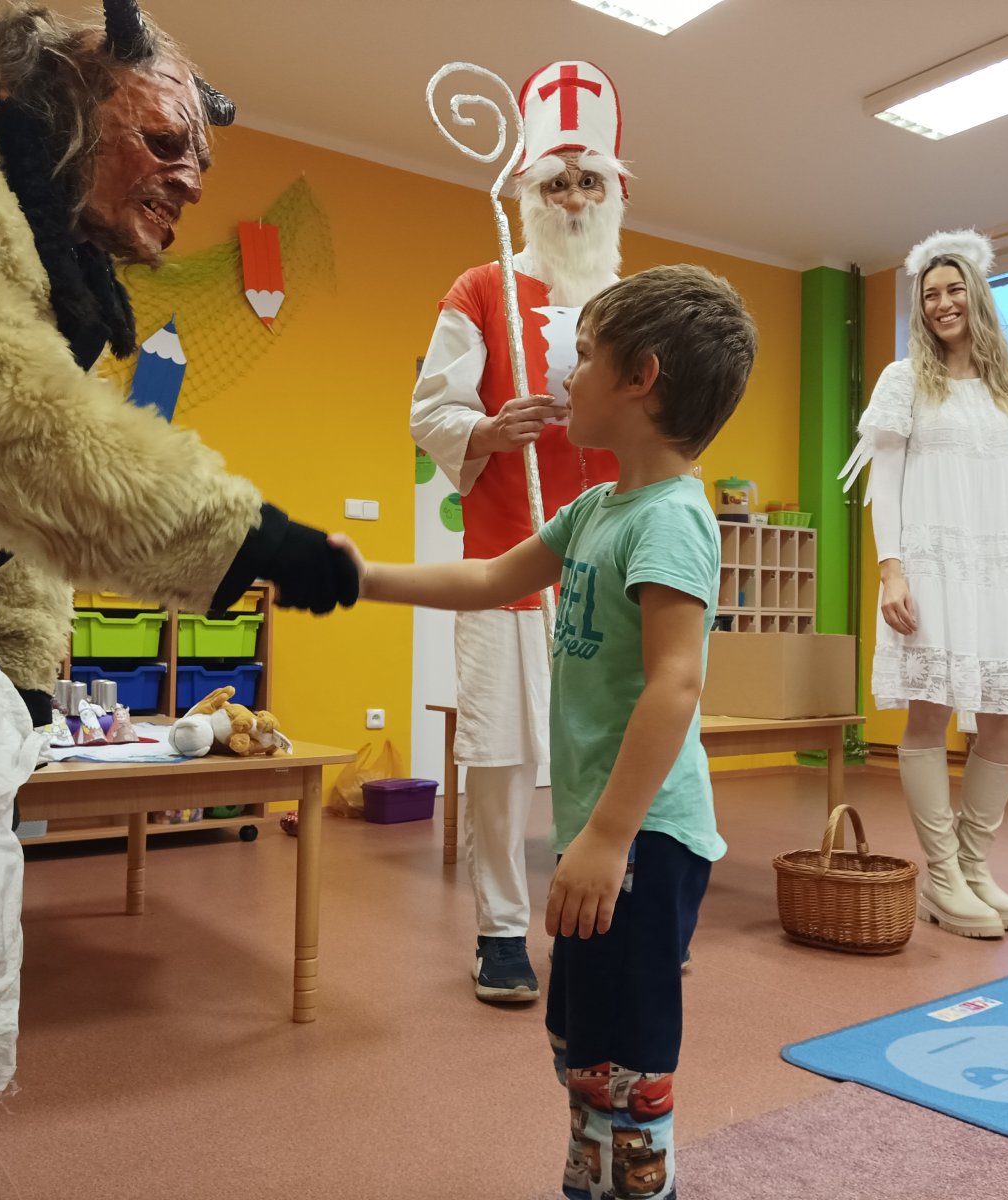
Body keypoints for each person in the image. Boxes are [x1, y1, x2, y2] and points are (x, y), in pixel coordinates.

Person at [0, 3, 356, 1195]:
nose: (192, 179)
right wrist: (253, 543)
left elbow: (5, 529)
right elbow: (13, 436)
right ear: (60, 98)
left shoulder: (62, 270)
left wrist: (22, 683)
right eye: (163, 140)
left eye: (201, 156)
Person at [350, 265, 756, 1199]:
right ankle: (594, 1177)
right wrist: (363, 577)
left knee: (625, 1066)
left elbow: (675, 684)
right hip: (603, 830)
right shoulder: (597, 507)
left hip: (644, 834)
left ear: (639, 379)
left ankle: (628, 1184)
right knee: (580, 1042)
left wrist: (608, 837)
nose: (563, 377)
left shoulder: (670, 521)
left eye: (581, 358)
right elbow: (492, 578)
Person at [410, 60, 629, 1003]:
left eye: (590, 181)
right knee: (499, 754)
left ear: (614, 194)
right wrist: (489, 430)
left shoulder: (632, 306)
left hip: (611, 564)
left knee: (608, 747)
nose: (573, 198)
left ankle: (604, 910)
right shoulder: (480, 287)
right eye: (556, 182)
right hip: (506, 557)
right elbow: (430, 410)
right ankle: (501, 929)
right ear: (528, 194)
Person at [839, 228, 1008, 940]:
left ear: (976, 295)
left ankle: (972, 867)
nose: (942, 303)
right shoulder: (903, 379)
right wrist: (891, 569)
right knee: (930, 712)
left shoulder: (1006, 385)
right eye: (929, 294)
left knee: (1006, 714)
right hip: (932, 564)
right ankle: (939, 873)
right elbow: (885, 481)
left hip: (1000, 566)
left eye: (953, 289)